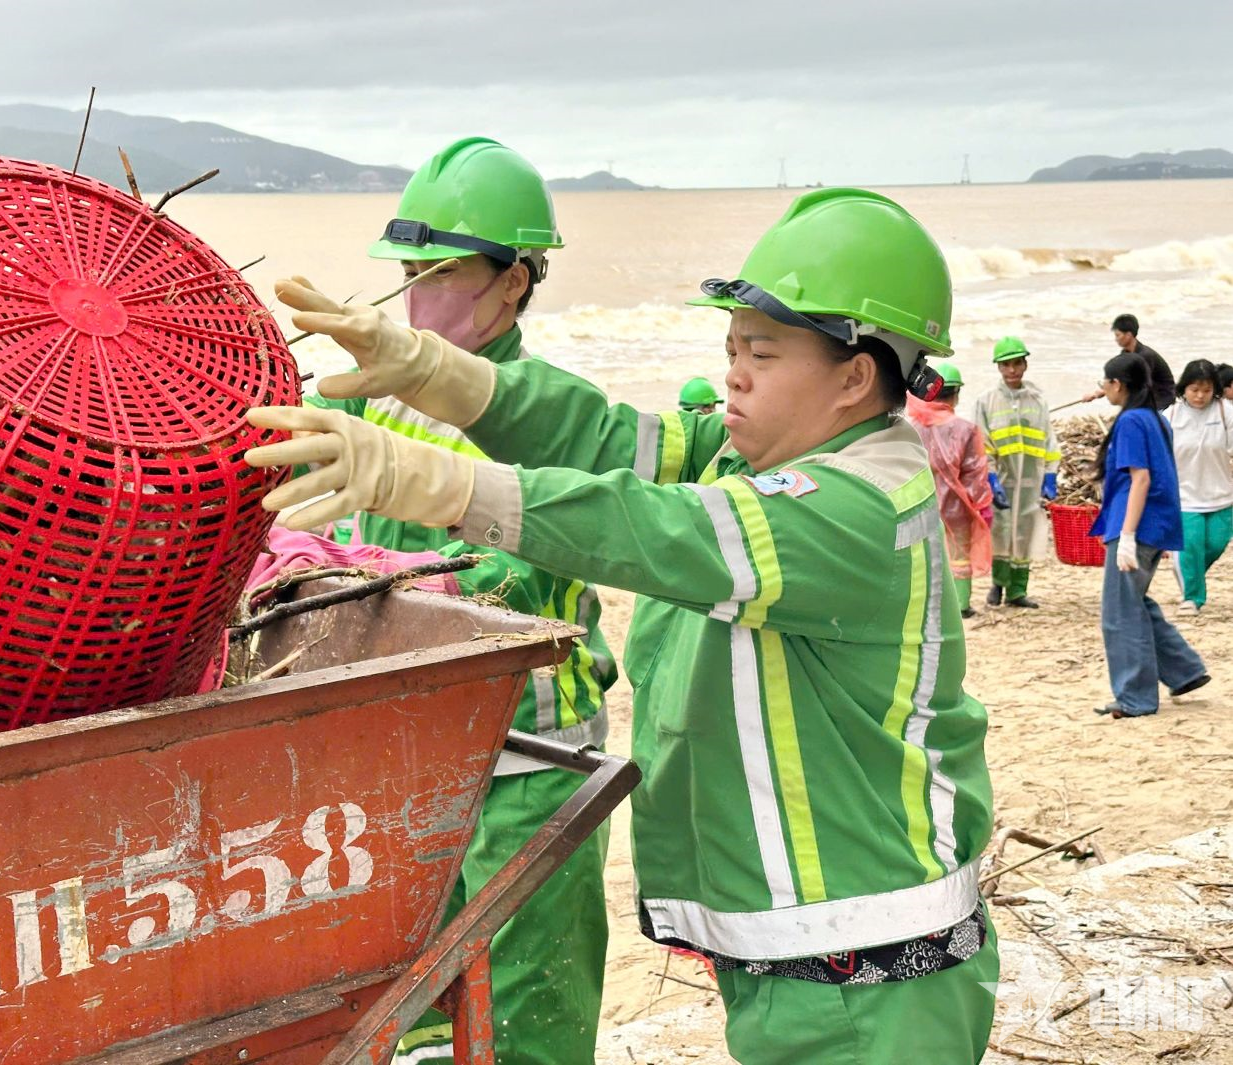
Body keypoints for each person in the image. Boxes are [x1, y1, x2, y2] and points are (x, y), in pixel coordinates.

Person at [250, 187, 998, 1065]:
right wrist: (430, 370)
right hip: (809, 955)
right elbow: (604, 439)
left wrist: (439, 485)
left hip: (869, 972)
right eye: (729, 349)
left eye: (761, 352)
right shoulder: (750, 453)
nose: (735, 375)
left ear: (854, 376)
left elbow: (649, 528)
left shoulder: (852, 509)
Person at [301, 136, 617, 1065]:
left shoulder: (553, 412)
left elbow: (557, 558)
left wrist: (449, 577)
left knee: (531, 1000)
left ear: (514, 282)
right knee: (414, 994)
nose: (417, 294)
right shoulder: (379, 399)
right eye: (409, 271)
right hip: (408, 743)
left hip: (530, 750)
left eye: (443, 273)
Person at [1088, 352, 1209, 718]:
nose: (1104, 388)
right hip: (1155, 524)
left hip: (1136, 525)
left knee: (1120, 612)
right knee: (1136, 601)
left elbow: (1140, 478)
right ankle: (1184, 670)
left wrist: (1125, 535)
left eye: (1106, 382)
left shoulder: (1131, 423)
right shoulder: (1156, 420)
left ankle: (1135, 697)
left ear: (1118, 385)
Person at [973, 337, 1060, 608]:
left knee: (1024, 532)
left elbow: (1049, 439)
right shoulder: (987, 401)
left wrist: (1050, 474)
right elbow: (982, 442)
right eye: (1006, 365)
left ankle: (1018, 591)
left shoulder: (1037, 399)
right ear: (999, 367)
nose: (1012, 371)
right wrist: (990, 476)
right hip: (1002, 479)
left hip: (1031, 480)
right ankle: (998, 584)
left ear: (1025, 364)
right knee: (1001, 531)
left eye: (1017, 364)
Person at [906, 362, 993, 617]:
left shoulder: (911, 427)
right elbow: (975, 472)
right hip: (957, 505)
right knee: (959, 556)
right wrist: (980, 505)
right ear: (956, 394)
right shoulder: (966, 429)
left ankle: (927, 606)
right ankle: (961, 605)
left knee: (924, 553)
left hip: (920, 501)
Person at [1167, 359, 1233, 614]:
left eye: (1206, 390)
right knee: (1191, 544)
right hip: (1185, 495)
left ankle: (1185, 568)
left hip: (1221, 493)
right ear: (1184, 388)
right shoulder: (1171, 415)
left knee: (1215, 545)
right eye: (1194, 390)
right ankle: (1192, 599)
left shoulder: (1224, 412)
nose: (1200, 396)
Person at [1083, 314, 1175, 410]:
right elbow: (1118, 379)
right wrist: (1098, 393)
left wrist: (1103, 392)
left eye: (1118, 335)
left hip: (1162, 400)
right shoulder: (1126, 353)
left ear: (1128, 335)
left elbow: (1142, 384)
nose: (1116, 339)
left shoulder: (1145, 356)